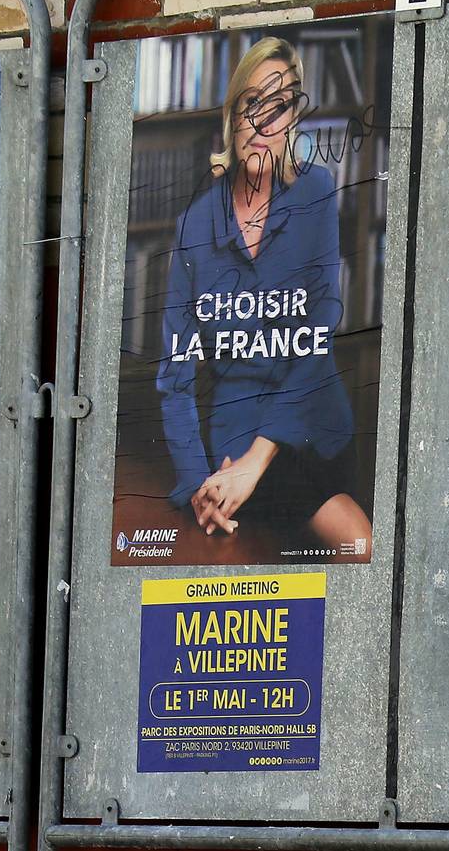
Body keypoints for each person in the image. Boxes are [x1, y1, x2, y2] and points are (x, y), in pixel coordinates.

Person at [157, 36, 373, 551]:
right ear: (232, 115)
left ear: (292, 121)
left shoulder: (316, 193)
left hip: (314, 428)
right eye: (253, 102)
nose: (263, 122)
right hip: (235, 444)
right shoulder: (194, 225)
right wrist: (197, 486)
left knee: (362, 550)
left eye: (280, 107)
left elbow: (315, 340)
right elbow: (175, 378)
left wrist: (256, 462)